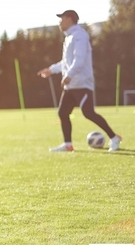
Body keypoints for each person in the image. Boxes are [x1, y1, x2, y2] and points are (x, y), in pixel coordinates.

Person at [38, 10, 121, 152]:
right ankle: (68, 145)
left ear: (69, 19)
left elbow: (79, 59)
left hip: (82, 83)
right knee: (63, 113)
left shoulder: (79, 36)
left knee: (88, 113)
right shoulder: (69, 37)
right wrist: (51, 70)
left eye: (61, 18)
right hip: (71, 85)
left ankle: (114, 138)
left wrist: (69, 75)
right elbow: (66, 62)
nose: (59, 22)